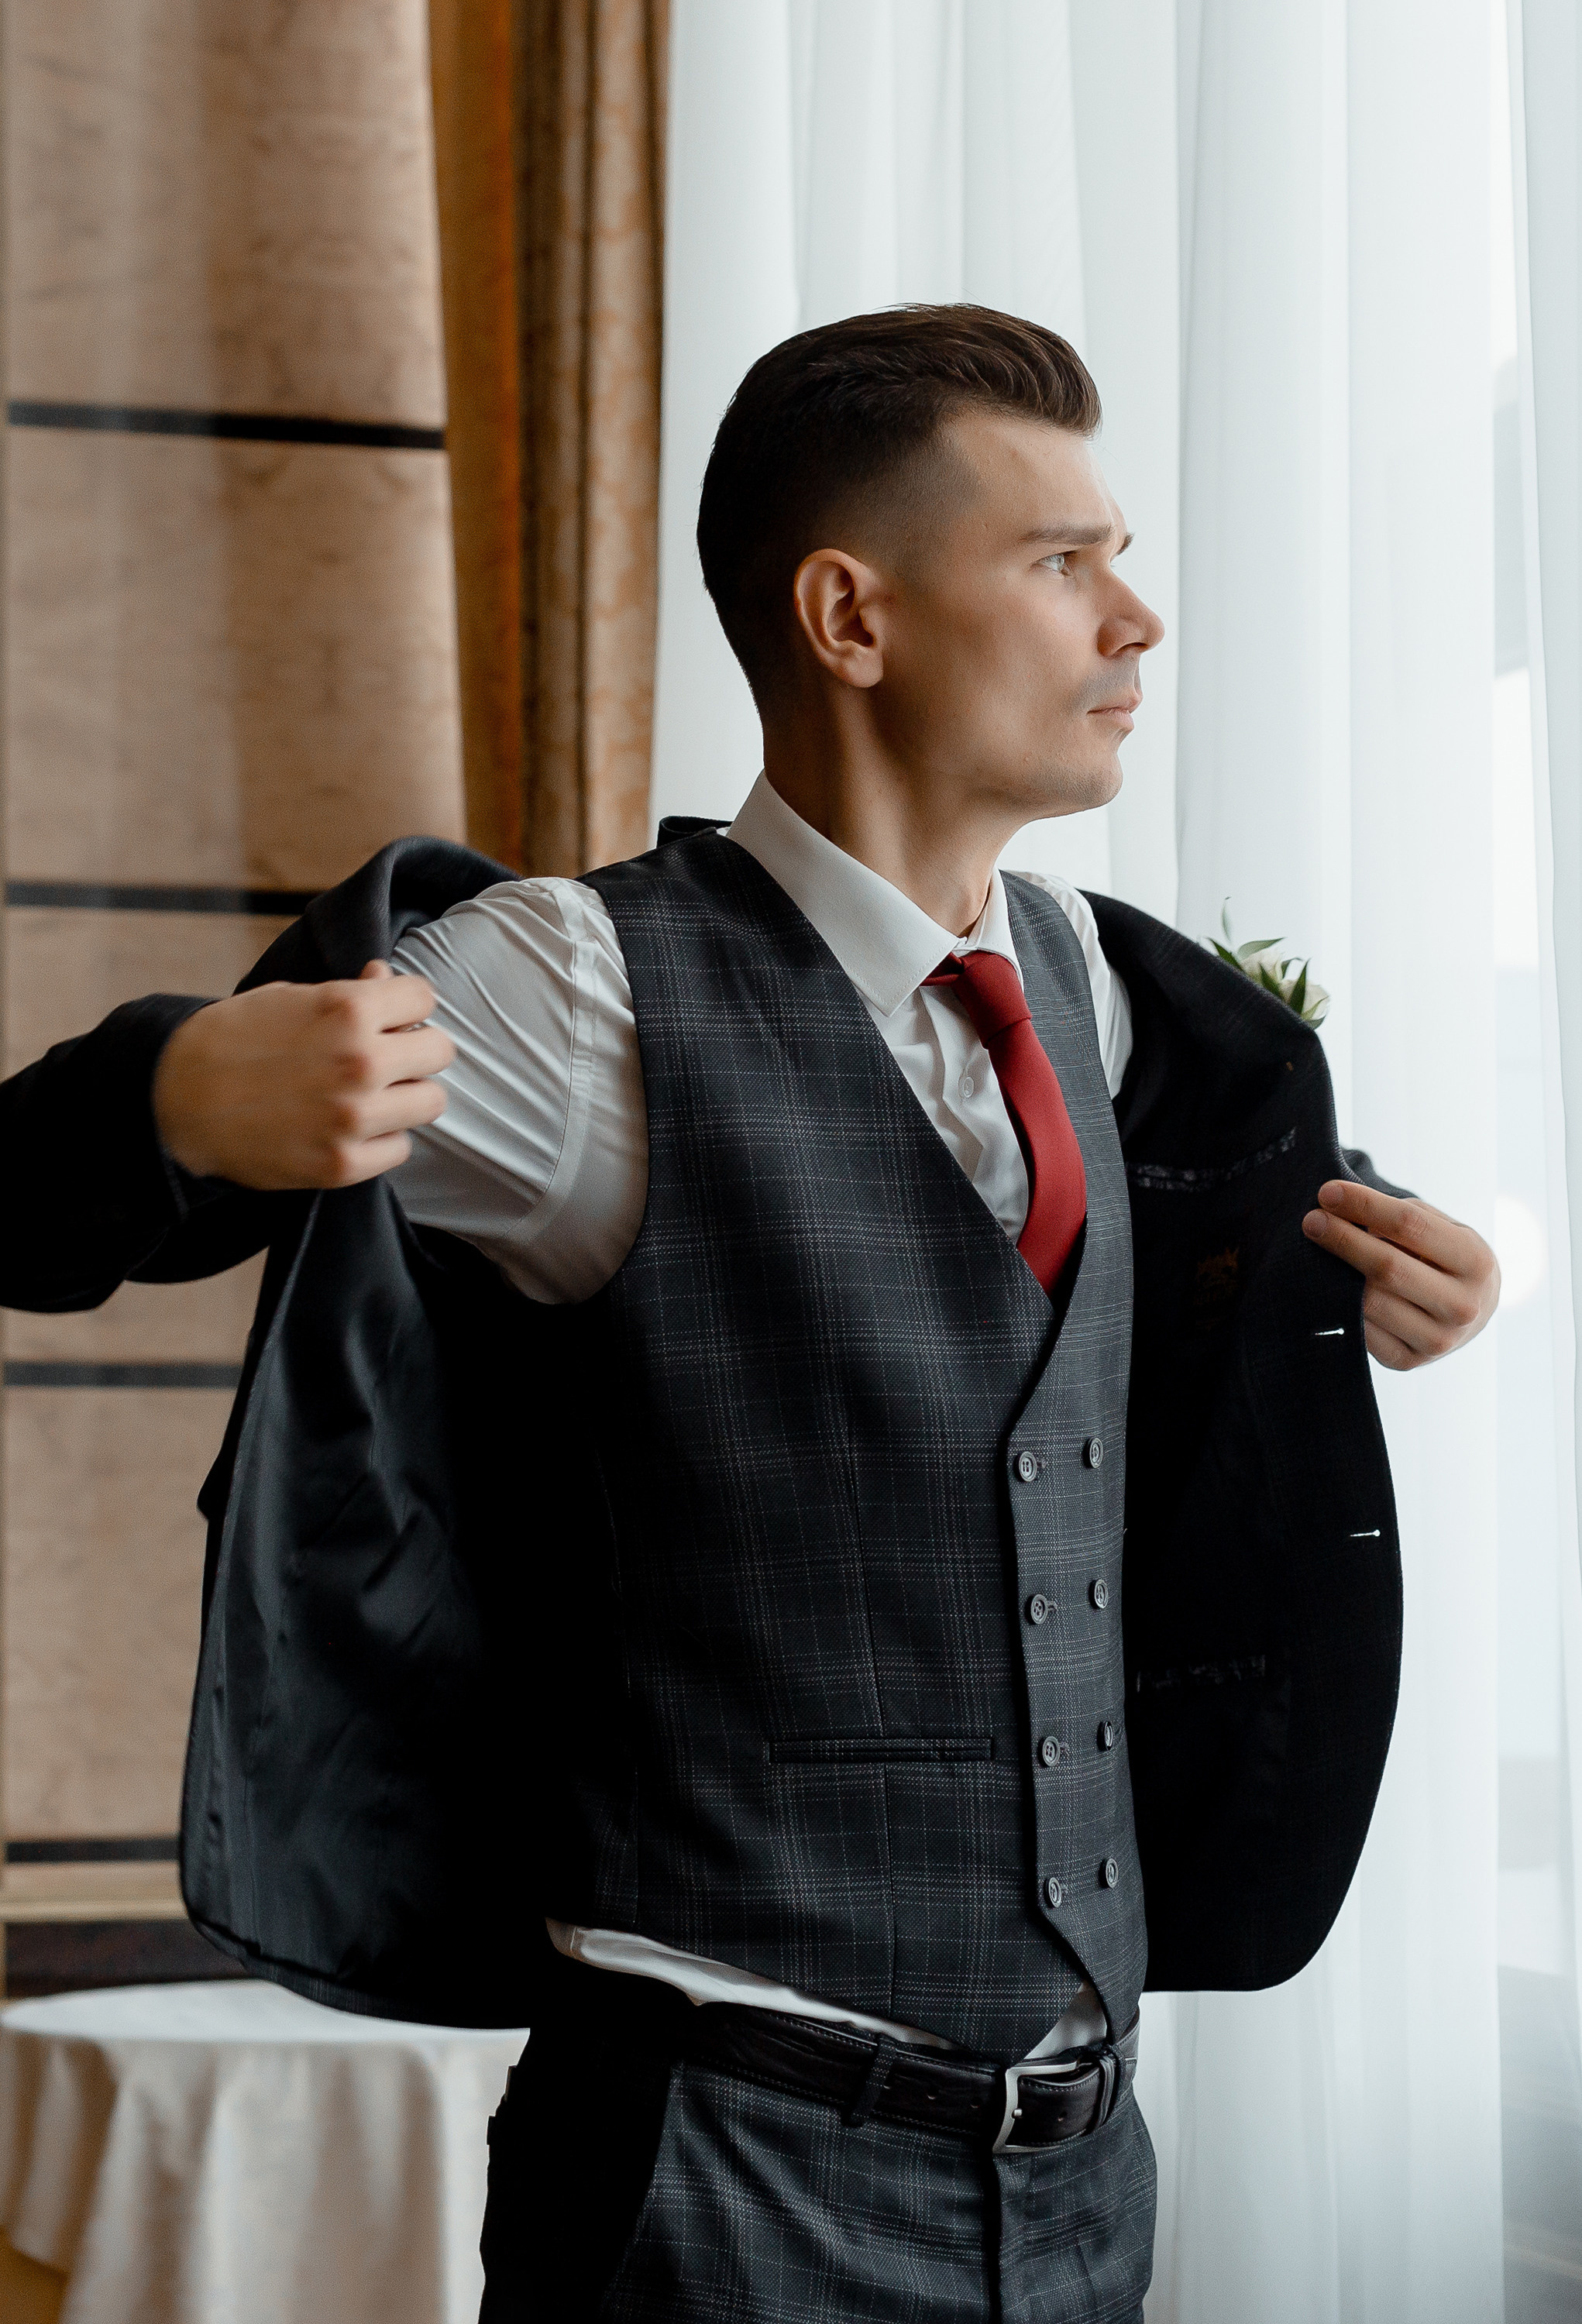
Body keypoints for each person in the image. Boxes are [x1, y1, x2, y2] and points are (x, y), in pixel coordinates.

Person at [2, 308, 1497, 2322]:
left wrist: (1380, 1285)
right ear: (848, 618)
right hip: (714, 2175)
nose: (1131, 622)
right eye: (1061, 564)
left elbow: (1154, 1310)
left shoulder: (1108, 996)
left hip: (1080, 2170)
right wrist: (184, 1091)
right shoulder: (569, 992)